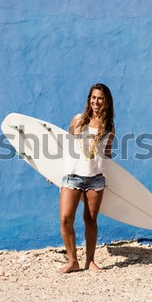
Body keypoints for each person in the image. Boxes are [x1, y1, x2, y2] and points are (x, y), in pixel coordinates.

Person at [59, 83, 115, 273]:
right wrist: (53, 171)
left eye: (100, 98)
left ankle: (89, 261)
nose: (96, 101)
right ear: (89, 99)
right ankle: (72, 260)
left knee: (90, 220)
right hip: (72, 175)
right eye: (93, 97)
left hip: (95, 178)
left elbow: (107, 154)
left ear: (106, 101)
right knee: (66, 218)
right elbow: (67, 147)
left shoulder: (109, 126)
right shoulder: (78, 119)